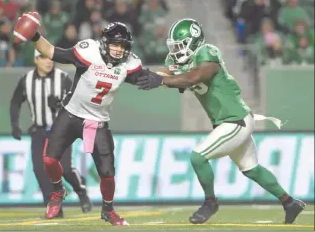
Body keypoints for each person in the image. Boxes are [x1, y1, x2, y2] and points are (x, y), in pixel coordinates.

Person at [136, 18, 306, 225]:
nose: (176, 50)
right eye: (174, 46)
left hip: (235, 120)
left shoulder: (207, 53)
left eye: (180, 45)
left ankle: (210, 202)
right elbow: (167, 75)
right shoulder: (181, 62)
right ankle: (290, 202)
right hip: (231, 121)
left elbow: (194, 76)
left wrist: (162, 80)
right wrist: (136, 74)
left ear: (194, 41)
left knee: (198, 157)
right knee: (252, 169)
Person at [15, 13, 157, 226]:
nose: (119, 49)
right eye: (115, 44)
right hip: (71, 115)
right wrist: (34, 35)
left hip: (98, 122)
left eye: (122, 45)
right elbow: (52, 52)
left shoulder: (128, 64)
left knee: (108, 173)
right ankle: (57, 191)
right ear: (105, 43)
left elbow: (148, 77)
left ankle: (108, 210)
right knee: (49, 160)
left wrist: (165, 79)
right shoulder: (88, 52)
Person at [10, 50, 92, 218]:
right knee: (40, 170)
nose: (48, 61)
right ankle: (54, 207)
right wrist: (15, 125)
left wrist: (61, 104)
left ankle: (81, 191)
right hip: (39, 131)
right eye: (43, 58)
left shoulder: (62, 78)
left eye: (50, 58)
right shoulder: (27, 80)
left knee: (66, 169)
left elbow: (79, 101)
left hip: (61, 130)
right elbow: (15, 102)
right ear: (36, 59)